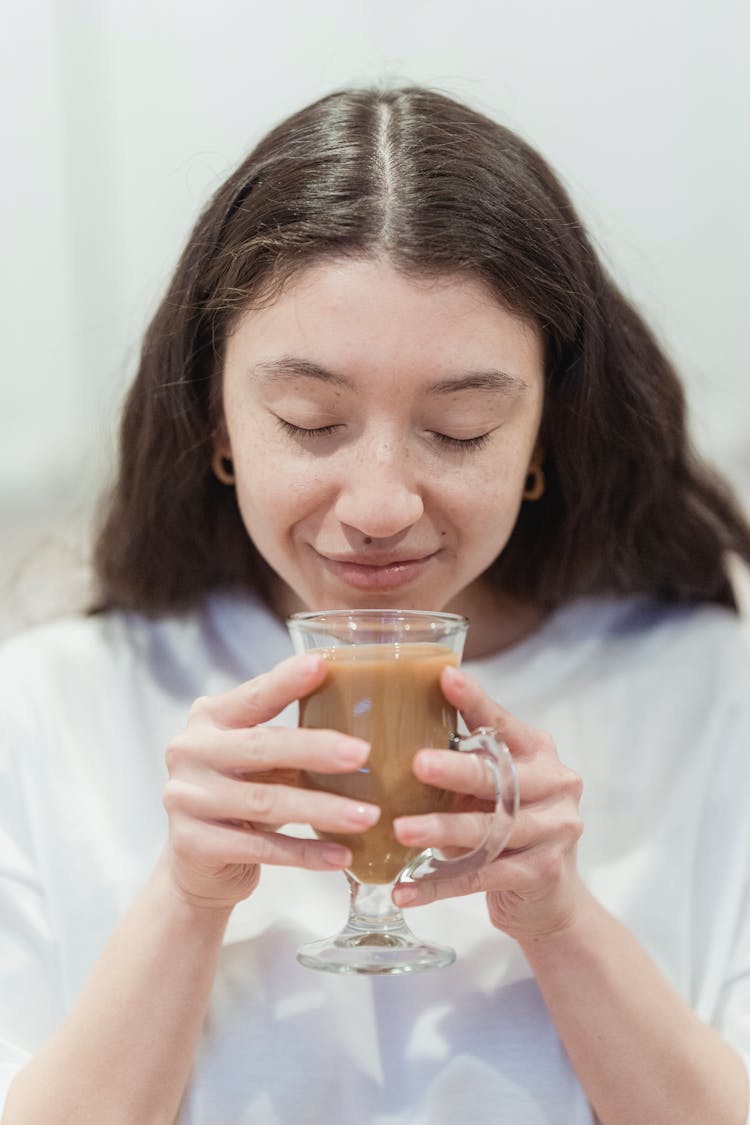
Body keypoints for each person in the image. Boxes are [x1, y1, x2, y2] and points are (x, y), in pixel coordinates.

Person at [1, 85, 750, 1125]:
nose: (382, 508)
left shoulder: (712, 695)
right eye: (309, 421)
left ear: (545, 436)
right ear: (217, 419)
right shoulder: (47, 710)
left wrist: (564, 924)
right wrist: (184, 903)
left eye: (460, 430)